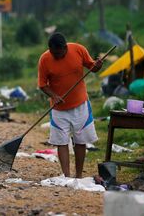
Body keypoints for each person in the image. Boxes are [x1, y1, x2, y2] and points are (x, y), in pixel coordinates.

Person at [37, 32, 103, 178]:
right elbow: (42, 85)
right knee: (61, 141)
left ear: (65, 48)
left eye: (59, 53)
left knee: (81, 140)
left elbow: (92, 68)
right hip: (58, 109)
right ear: (49, 49)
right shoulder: (45, 59)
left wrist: (98, 65)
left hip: (80, 105)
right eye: (53, 53)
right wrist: (54, 96)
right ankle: (66, 176)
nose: (56, 57)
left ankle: (78, 175)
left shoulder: (78, 49)